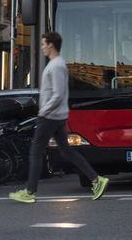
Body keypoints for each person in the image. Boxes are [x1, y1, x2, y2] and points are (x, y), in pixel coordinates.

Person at [9, 32, 109, 204]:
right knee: (67, 151)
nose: (42, 47)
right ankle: (96, 179)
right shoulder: (57, 64)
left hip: (50, 116)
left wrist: (43, 111)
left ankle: (30, 191)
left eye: (43, 44)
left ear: (51, 45)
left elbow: (58, 94)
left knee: (35, 152)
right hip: (57, 116)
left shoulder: (56, 66)